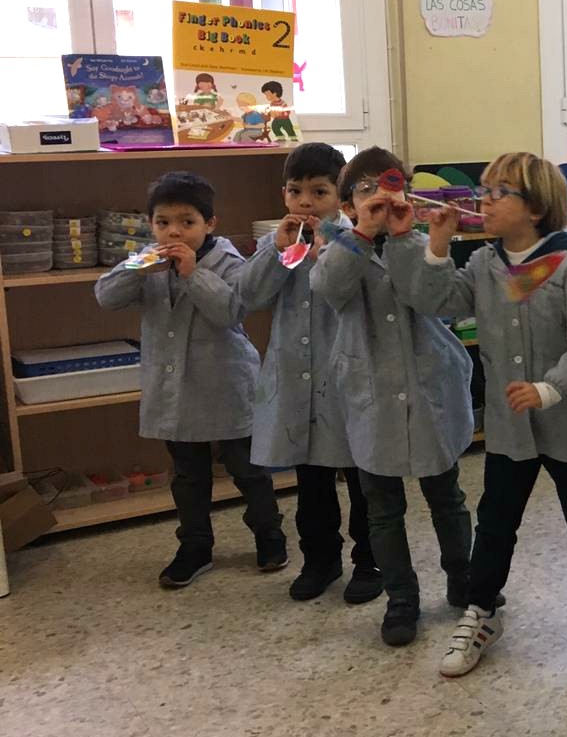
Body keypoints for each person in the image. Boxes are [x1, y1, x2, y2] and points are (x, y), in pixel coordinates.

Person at [389, 152, 567, 675]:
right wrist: (436, 244)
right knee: (495, 522)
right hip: (509, 429)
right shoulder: (484, 265)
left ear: (535, 208)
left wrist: (550, 388)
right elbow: (437, 301)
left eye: (498, 193)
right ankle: (482, 610)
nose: (484, 202)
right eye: (484, 192)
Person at [309, 148, 473, 648]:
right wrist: (361, 234)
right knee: (382, 507)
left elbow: (432, 298)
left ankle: (464, 580)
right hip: (371, 392)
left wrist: (403, 238)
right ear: (347, 205)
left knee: (446, 496)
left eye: (390, 184)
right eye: (365, 190)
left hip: (428, 385)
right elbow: (330, 288)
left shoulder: (418, 241)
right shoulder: (334, 244)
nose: (379, 195)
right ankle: (401, 597)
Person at [94, 171, 286, 588]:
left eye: (187, 222)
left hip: (226, 386)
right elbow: (105, 296)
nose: (174, 231)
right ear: (151, 225)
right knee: (187, 475)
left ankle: (269, 534)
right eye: (163, 222)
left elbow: (230, 311)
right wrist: (137, 269)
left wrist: (192, 273)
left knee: (249, 470)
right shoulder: (147, 260)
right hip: (175, 392)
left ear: (210, 223)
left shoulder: (229, 261)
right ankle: (195, 546)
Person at [238, 142, 380, 605]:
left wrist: (326, 252)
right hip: (295, 380)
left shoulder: (354, 240)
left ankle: (371, 559)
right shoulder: (277, 241)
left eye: (319, 192)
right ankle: (320, 560)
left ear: (340, 197)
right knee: (311, 482)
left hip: (346, 380)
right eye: (295, 191)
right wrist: (277, 252)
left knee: (362, 478)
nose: (305, 202)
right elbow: (249, 297)